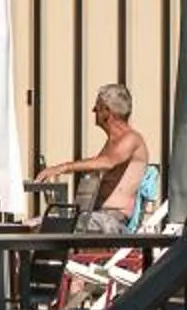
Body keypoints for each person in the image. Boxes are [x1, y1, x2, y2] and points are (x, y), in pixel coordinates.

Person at [38, 83, 152, 233]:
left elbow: (107, 163)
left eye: (97, 106)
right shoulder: (113, 142)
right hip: (96, 217)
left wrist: (61, 168)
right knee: (33, 225)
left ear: (107, 111)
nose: (93, 110)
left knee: (45, 227)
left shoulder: (131, 138)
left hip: (113, 220)